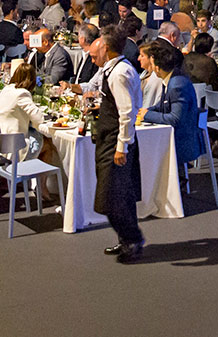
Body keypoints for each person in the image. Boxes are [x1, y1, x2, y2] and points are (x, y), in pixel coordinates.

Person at [88, 26, 144, 262]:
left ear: (107, 50)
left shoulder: (119, 73)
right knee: (120, 195)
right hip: (110, 138)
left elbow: (128, 112)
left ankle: (132, 239)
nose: (92, 59)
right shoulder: (116, 69)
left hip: (115, 142)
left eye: (94, 55)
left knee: (112, 197)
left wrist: (122, 145)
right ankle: (126, 240)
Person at [138, 40, 203, 166]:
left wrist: (146, 115)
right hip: (175, 135)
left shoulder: (177, 84)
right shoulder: (170, 78)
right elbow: (161, 106)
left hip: (182, 141)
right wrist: (145, 111)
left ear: (157, 67)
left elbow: (175, 119)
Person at [0, 60, 47, 156]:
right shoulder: (22, 94)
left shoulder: (7, 89)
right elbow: (39, 119)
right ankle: (37, 169)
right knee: (47, 144)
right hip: (11, 144)